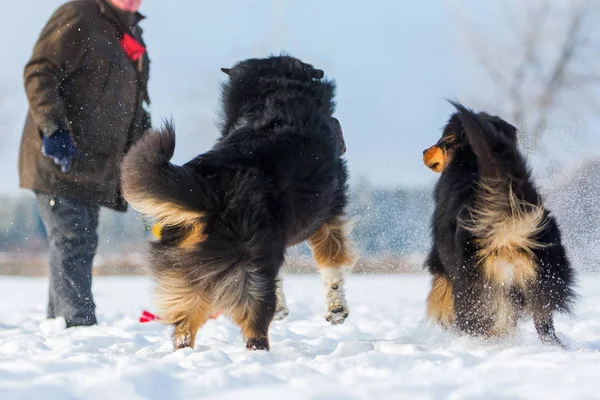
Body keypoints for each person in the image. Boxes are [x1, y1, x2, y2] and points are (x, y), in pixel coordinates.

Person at [18, 0, 151, 328]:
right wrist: (54, 128)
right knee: (73, 241)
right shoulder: (79, 14)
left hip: (93, 169)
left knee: (76, 244)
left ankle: (61, 329)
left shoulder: (131, 30)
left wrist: (149, 150)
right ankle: (77, 329)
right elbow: (39, 71)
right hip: (59, 160)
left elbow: (132, 106)